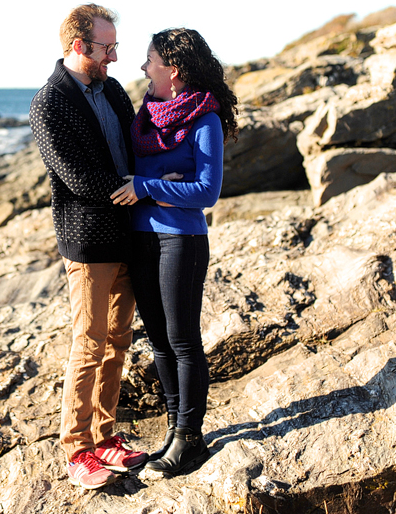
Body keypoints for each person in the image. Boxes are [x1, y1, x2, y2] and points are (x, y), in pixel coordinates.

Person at [30, 4, 149, 490]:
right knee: (88, 344)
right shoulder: (48, 103)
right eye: (108, 48)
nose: (116, 57)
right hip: (88, 241)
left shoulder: (114, 90)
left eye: (116, 46)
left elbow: (140, 144)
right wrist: (131, 187)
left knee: (119, 341)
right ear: (79, 47)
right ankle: (77, 449)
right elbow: (75, 176)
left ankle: (105, 437)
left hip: (131, 233)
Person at [111, 27, 238, 475]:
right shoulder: (144, 117)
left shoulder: (205, 121)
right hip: (142, 237)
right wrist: (167, 188)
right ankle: (172, 429)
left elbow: (206, 192)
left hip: (181, 240)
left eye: (150, 61)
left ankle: (191, 438)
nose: (143, 68)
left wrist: (148, 187)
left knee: (183, 340)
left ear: (174, 71)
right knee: (160, 343)